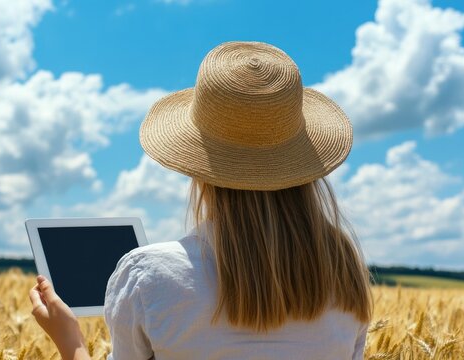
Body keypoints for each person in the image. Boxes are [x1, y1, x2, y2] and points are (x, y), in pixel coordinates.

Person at [29, 41, 373, 360]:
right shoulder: (344, 271)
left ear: (200, 170)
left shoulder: (148, 275)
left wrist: (69, 339)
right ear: (301, 166)